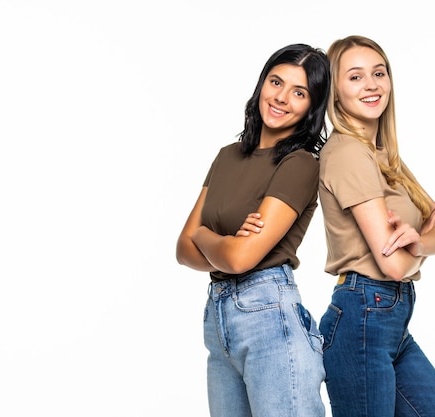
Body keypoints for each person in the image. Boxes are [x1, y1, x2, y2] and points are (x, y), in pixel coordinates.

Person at [175, 43, 330, 417]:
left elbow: (241, 257)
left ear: (312, 106)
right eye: (276, 82)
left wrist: (205, 235)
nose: (281, 98)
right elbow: (182, 249)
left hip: (269, 316)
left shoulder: (300, 164)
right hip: (218, 317)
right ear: (262, 83)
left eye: (299, 92)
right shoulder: (228, 155)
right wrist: (221, 243)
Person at [317, 35, 435, 416]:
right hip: (363, 317)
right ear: (335, 92)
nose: (372, 85)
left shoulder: (383, 157)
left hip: (391, 323)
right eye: (355, 77)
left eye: (379, 73)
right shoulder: (348, 153)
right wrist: (420, 247)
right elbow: (393, 265)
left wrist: (418, 242)